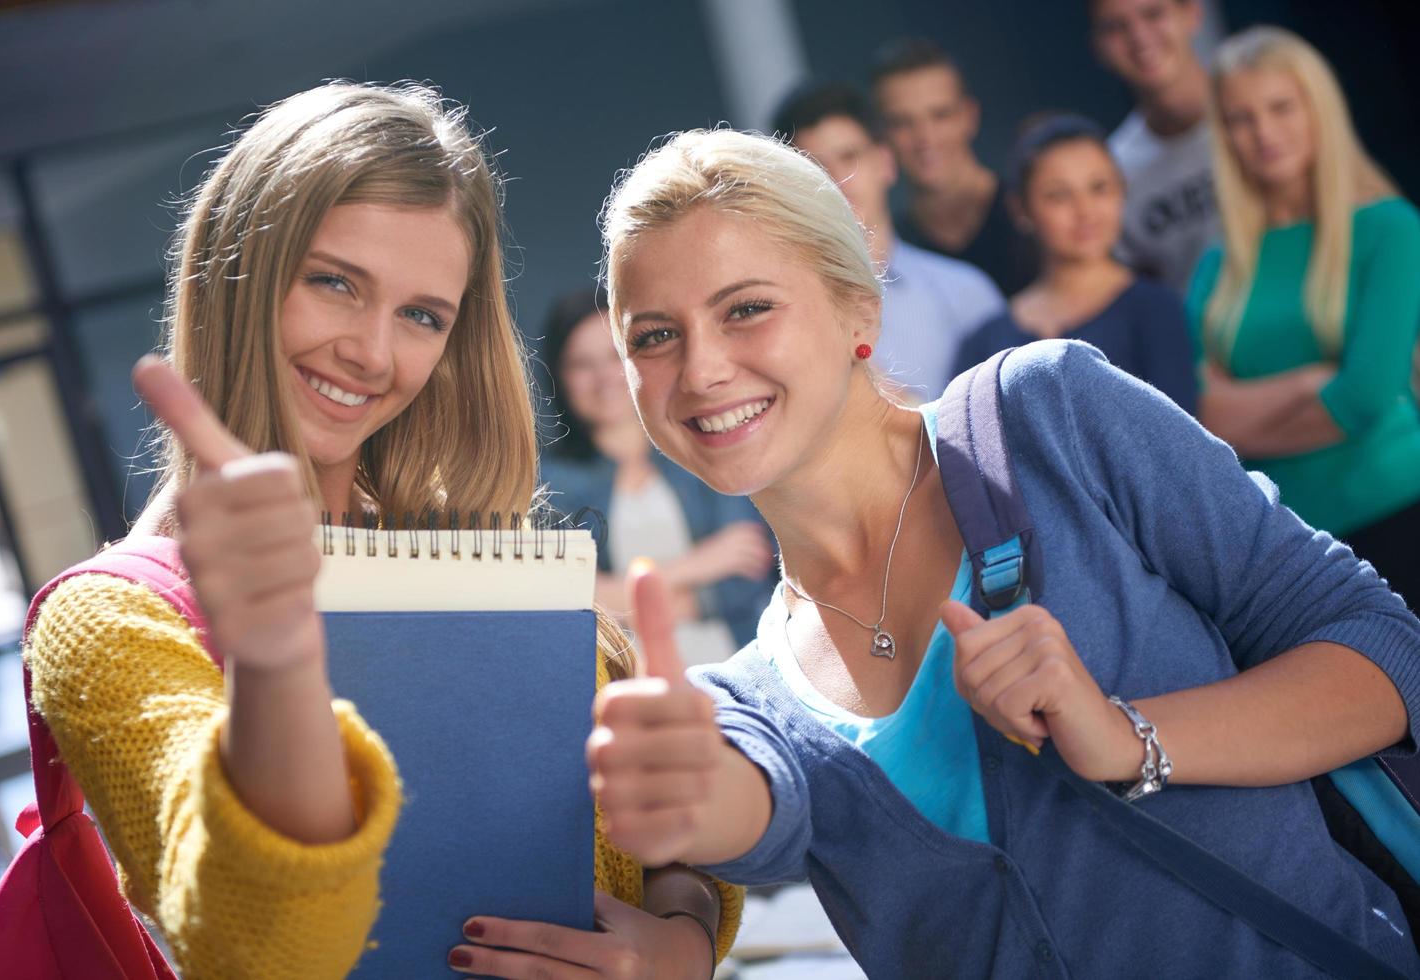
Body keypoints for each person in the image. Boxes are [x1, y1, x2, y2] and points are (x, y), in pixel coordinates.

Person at [585, 127, 1420, 977]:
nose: (701, 369)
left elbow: (1385, 651)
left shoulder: (1048, 416)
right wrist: (678, 814)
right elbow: (749, 807)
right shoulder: (750, 698)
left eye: (746, 308)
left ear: (856, 311)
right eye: (652, 336)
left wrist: (1129, 736)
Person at [22, 83, 740, 979]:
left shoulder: (469, 551)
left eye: (420, 315)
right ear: (235, 271)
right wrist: (279, 658)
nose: (371, 352)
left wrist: (679, 939)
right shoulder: (109, 622)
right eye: (333, 282)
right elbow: (263, 951)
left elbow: (656, 846)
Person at [1189, 27, 1420, 606]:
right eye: (1241, 118)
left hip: (1401, 511)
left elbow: (1366, 400)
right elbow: (1190, 412)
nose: (1263, 132)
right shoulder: (1219, 265)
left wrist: (1241, 419)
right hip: (1293, 550)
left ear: (1318, 108)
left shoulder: (1389, 227)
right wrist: (1312, 384)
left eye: (1281, 107)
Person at [539, 287, 775, 662]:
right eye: (581, 364)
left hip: (731, 667)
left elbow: (747, 574)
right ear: (560, 377)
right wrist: (696, 565)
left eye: (613, 356)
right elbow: (559, 597)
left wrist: (615, 595)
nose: (602, 377)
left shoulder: (702, 446)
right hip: (620, 679)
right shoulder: (547, 482)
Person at [771, 80, 1004, 401]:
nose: (839, 180)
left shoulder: (967, 293)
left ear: (885, 162)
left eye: (849, 156)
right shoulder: (775, 312)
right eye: (815, 167)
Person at [954, 114, 1197, 414]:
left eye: (1099, 188)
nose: (1085, 211)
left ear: (1122, 191)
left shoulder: (1156, 309)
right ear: (1020, 209)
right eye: (1059, 196)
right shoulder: (987, 340)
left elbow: (1175, 438)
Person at [869, 38, 1038, 295]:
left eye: (940, 115)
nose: (925, 138)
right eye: (902, 122)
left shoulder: (1034, 214)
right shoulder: (893, 254)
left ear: (970, 116)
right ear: (881, 135)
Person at [1090, 0, 1223, 290]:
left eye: (1153, 13)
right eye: (1116, 27)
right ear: (1098, 44)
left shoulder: (1258, 118)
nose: (1139, 37)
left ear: (1192, 13)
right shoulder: (1112, 170)